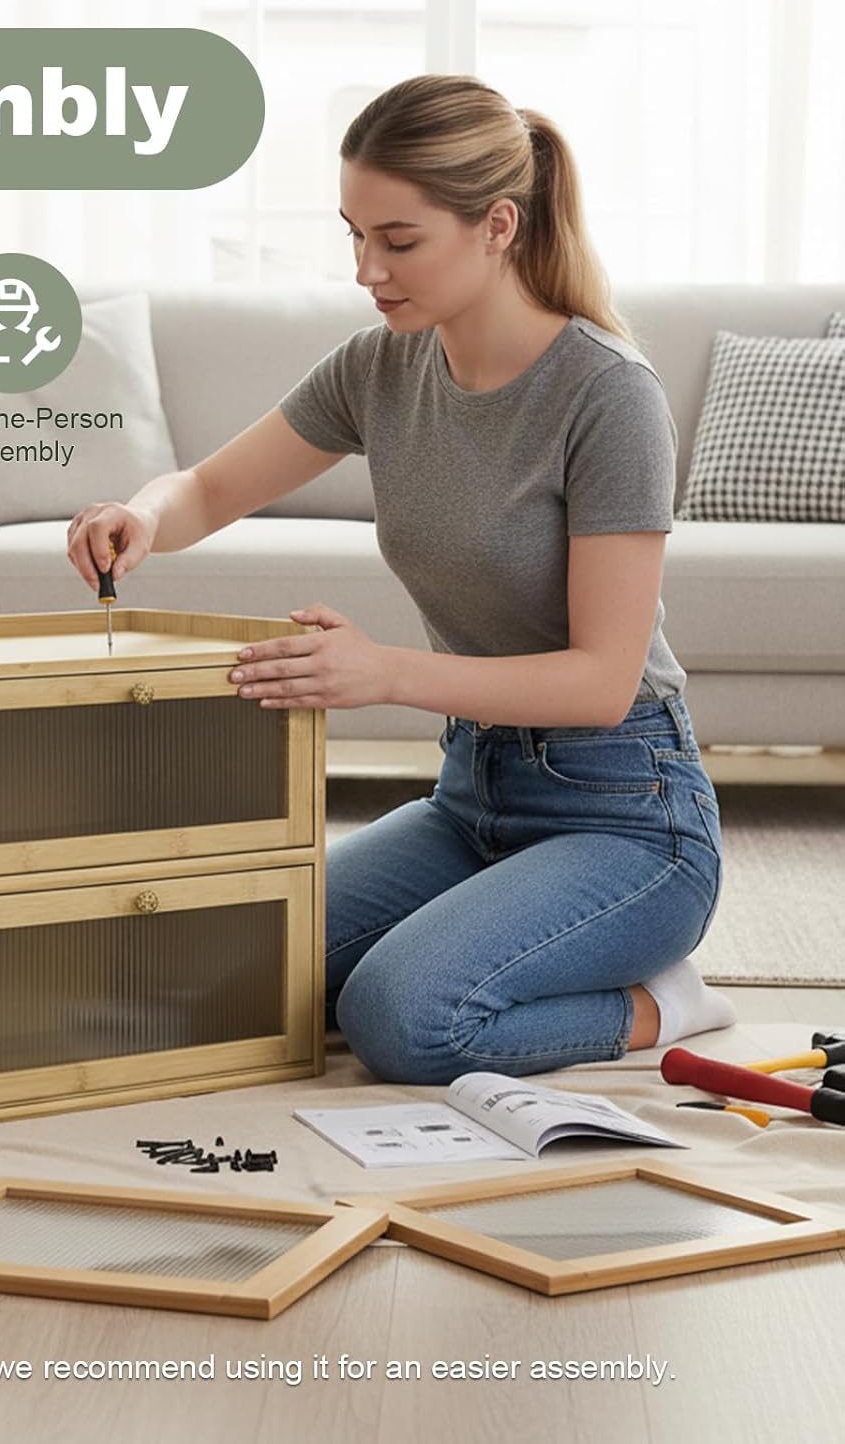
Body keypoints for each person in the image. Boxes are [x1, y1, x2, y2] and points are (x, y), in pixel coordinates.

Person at [65, 74, 731, 1085]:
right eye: (355, 236)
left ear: (498, 225)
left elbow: (602, 682)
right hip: (473, 797)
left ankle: (660, 1002)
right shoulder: (382, 368)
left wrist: (381, 672)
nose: (370, 270)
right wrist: (140, 518)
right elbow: (206, 487)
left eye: (400, 240)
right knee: (217, 980)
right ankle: (504, 938)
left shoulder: (608, 397)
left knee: (404, 1019)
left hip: (628, 817)